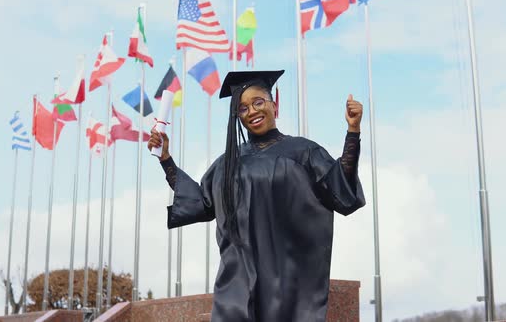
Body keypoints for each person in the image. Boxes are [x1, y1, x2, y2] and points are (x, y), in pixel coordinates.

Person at [147, 70, 366, 322]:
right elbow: (201, 202)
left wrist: (353, 132)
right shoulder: (228, 162)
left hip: (289, 281)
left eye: (258, 102)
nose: (251, 111)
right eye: (242, 108)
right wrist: (166, 160)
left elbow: (341, 190)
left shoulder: (304, 152)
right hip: (238, 280)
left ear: (275, 104)